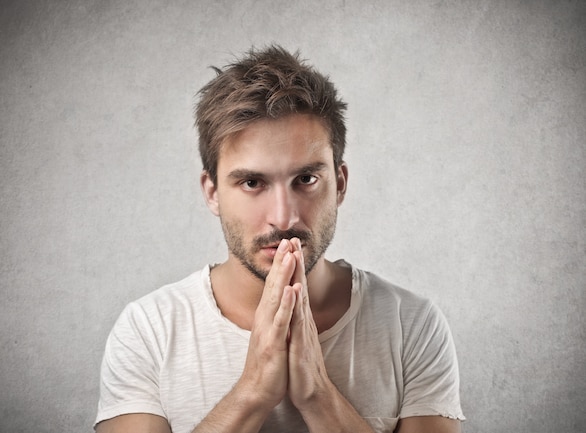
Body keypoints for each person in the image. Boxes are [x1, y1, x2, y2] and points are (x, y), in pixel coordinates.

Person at [94, 45, 465, 433]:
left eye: (306, 179)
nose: (284, 217)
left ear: (338, 184)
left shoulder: (412, 325)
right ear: (212, 192)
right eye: (252, 183)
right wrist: (252, 392)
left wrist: (318, 395)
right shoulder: (148, 330)